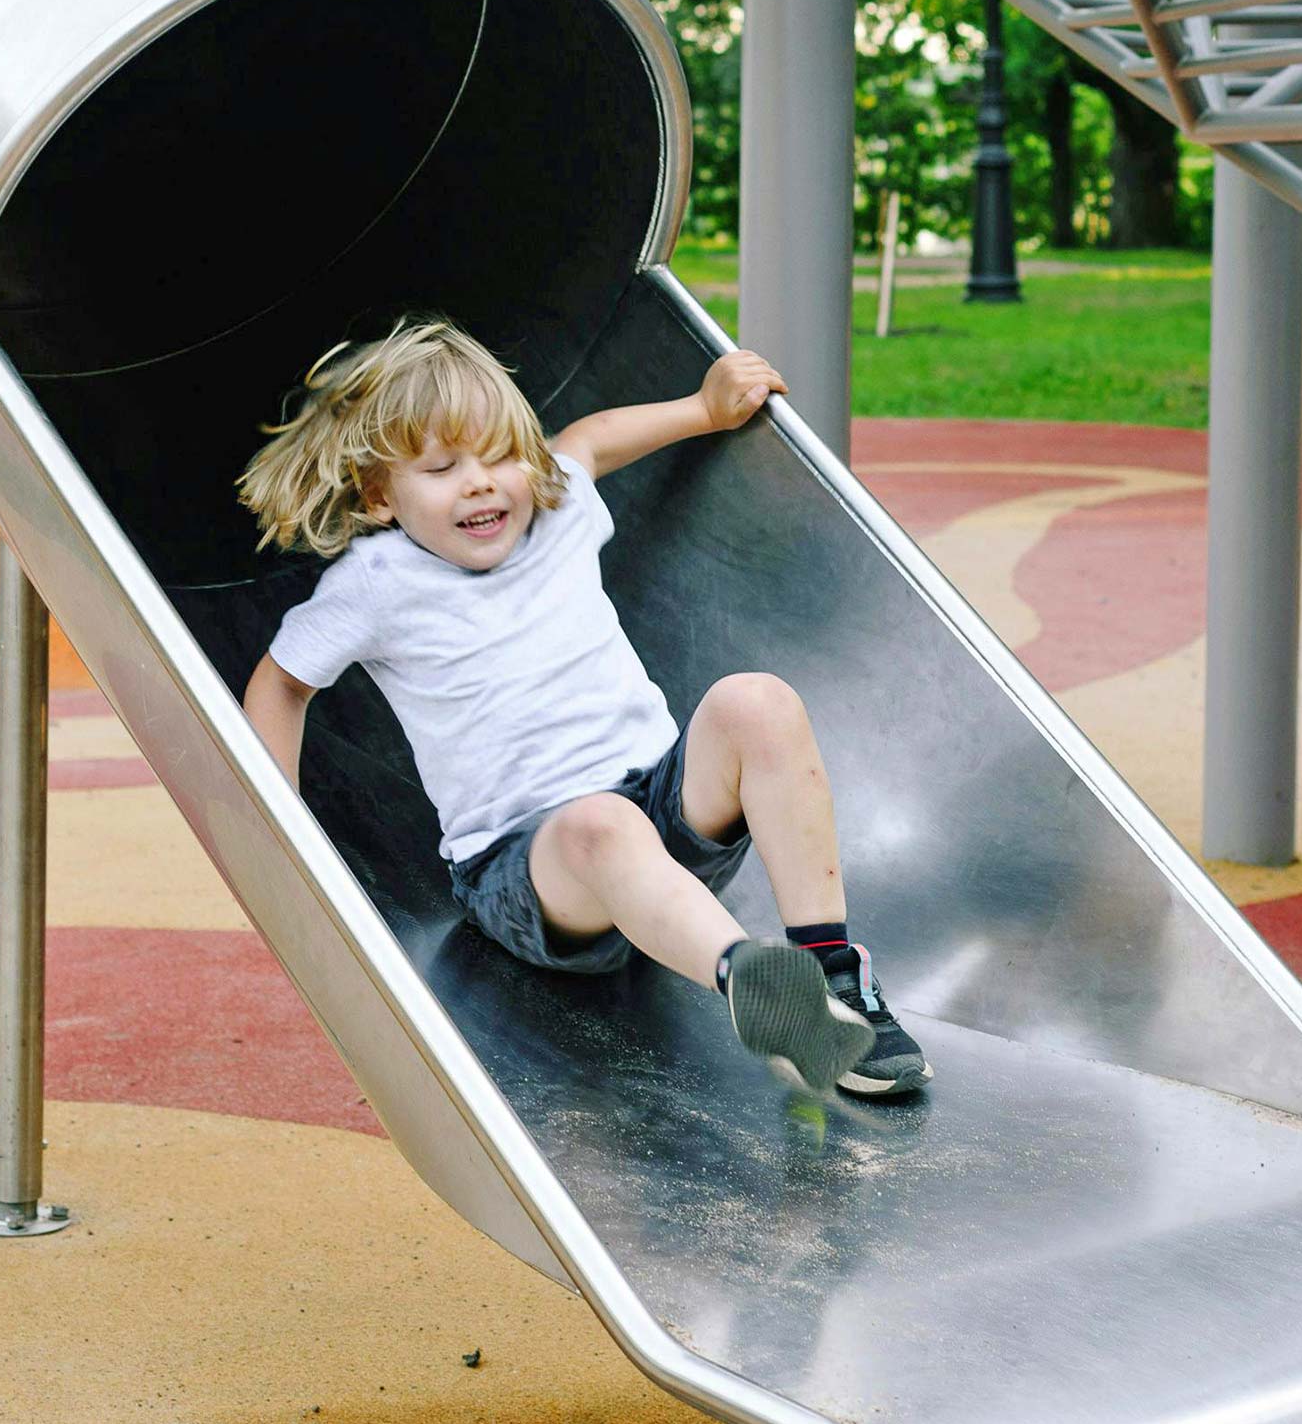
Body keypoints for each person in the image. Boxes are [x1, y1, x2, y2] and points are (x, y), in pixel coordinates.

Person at [236, 318, 933, 1098]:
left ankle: (831, 972)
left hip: (666, 815)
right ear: (379, 497)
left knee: (756, 702)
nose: (481, 481)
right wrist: (277, 827)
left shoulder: (556, 502)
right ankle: (761, 992)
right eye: (441, 467)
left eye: (501, 453)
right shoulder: (376, 582)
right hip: (531, 871)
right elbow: (281, 683)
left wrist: (704, 409)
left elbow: (590, 440)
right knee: (601, 825)